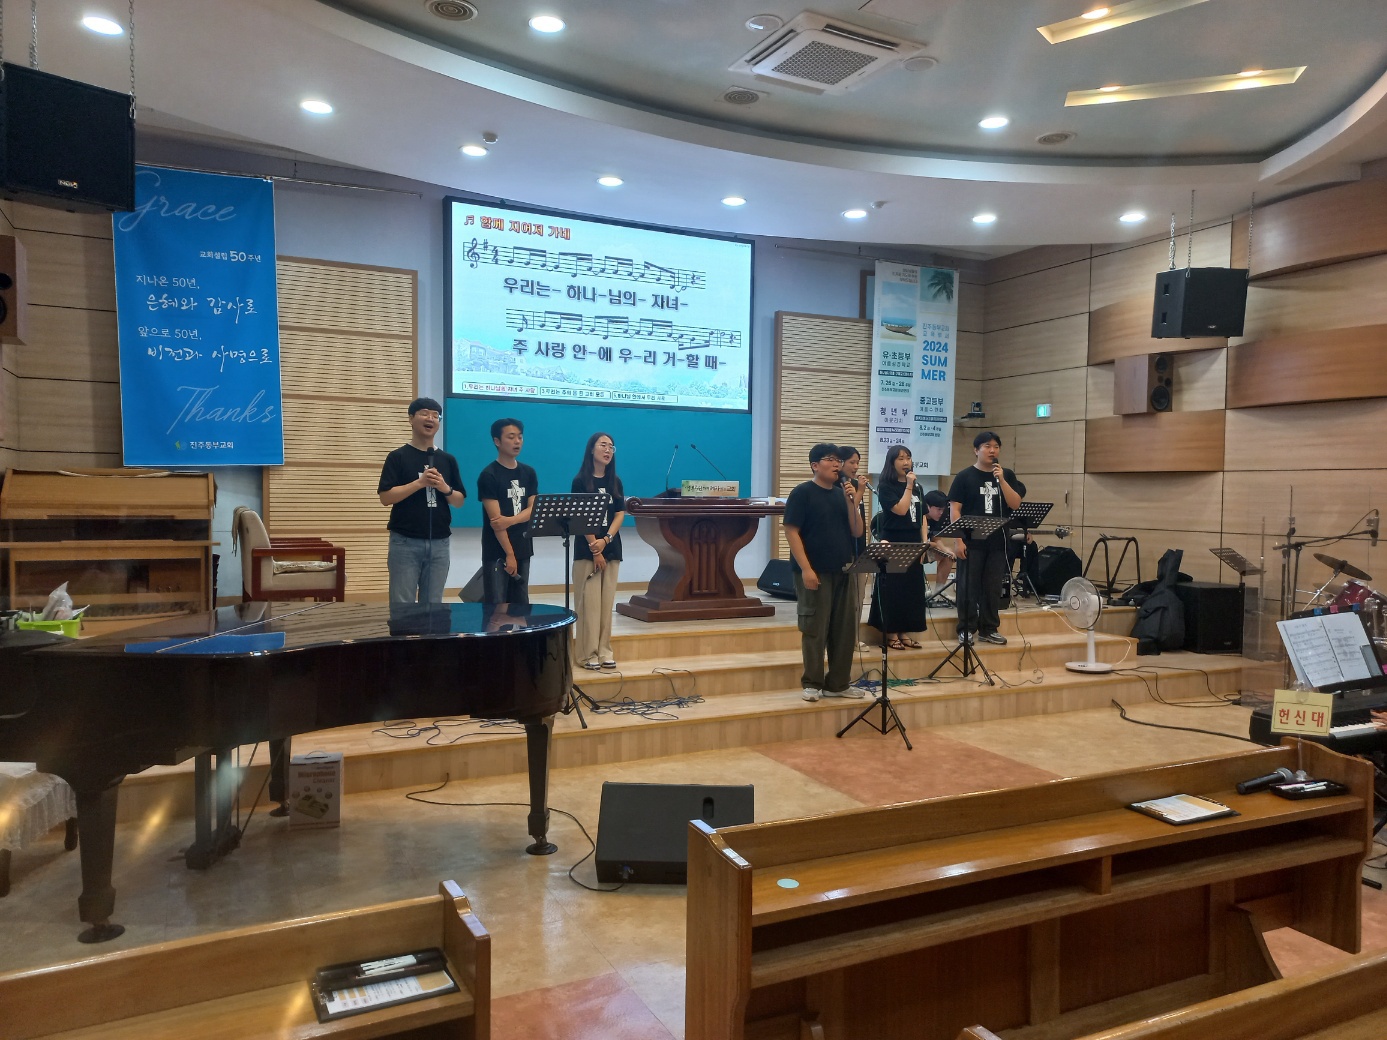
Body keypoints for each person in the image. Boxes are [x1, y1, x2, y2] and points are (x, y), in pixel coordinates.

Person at [782, 443, 866, 702]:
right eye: (830, 459)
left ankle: (838, 684)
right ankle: (812, 683)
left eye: (838, 460)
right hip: (814, 572)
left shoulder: (842, 494)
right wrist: (806, 569)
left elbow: (857, 531)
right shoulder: (802, 493)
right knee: (815, 628)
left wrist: (853, 501)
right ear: (815, 465)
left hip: (843, 570)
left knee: (844, 630)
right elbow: (791, 531)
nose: (836, 464)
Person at [377, 397, 465, 603]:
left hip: (440, 542)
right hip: (405, 542)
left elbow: (459, 501)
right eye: (425, 413)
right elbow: (385, 497)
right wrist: (419, 483)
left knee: (433, 605)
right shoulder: (397, 457)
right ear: (411, 419)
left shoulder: (447, 459)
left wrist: (444, 487)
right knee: (402, 604)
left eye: (435, 416)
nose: (430, 419)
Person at [948, 431, 1025, 645]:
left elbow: (1015, 503)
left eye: (996, 447)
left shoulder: (1006, 475)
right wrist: (958, 540)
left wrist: (1002, 480)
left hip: (998, 542)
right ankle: (966, 628)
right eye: (987, 446)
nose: (992, 450)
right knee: (968, 586)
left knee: (992, 587)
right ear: (976, 450)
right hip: (971, 542)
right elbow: (955, 510)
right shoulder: (964, 477)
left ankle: (989, 628)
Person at [571, 432, 626, 670]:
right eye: (603, 445)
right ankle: (587, 654)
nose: (607, 450)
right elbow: (580, 517)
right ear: (591, 449)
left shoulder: (615, 481)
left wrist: (607, 540)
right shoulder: (580, 481)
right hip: (587, 550)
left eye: (611, 447)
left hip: (611, 548)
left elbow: (620, 513)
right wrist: (596, 549)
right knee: (589, 606)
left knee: (606, 606)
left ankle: (604, 651)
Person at [868, 444, 928, 650]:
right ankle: (891, 633)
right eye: (900, 458)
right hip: (893, 540)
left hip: (914, 541)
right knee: (894, 588)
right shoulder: (886, 486)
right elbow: (901, 510)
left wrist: (924, 542)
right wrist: (909, 486)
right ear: (891, 462)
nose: (906, 462)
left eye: (908, 458)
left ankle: (904, 631)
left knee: (911, 588)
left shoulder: (918, 487)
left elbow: (923, 516)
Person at [478, 417, 537, 606]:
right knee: (497, 608)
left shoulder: (529, 473)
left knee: (521, 605)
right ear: (497, 441)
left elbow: (533, 509)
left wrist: (510, 520)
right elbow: (496, 522)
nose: (517, 441)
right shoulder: (488, 475)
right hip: (497, 551)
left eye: (520, 437)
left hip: (523, 546)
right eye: (511, 437)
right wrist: (509, 554)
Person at [838, 445, 870, 620]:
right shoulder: (838, 486)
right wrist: (860, 492)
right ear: (841, 462)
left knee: (859, 598)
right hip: (844, 549)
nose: (856, 467)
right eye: (852, 462)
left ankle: (855, 633)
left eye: (858, 462)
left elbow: (858, 515)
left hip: (860, 548)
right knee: (846, 602)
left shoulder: (856, 485)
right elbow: (847, 512)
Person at [923, 489, 955, 597]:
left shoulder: (937, 519)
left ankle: (939, 592)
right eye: (938, 509)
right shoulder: (919, 517)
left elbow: (936, 539)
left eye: (943, 510)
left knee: (948, 555)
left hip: (926, 550)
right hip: (914, 553)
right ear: (927, 506)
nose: (941, 513)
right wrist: (933, 545)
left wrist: (945, 550)